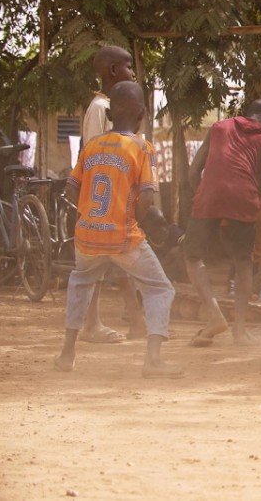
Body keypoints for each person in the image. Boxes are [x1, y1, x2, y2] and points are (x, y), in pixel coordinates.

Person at [54, 82, 183, 379]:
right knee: (160, 288)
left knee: (81, 283)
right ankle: (153, 360)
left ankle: (67, 354)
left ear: (110, 114)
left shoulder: (91, 146)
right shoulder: (141, 147)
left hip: (88, 235)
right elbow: (147, 198)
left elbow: (71, 189)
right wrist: (135, 220)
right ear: (142, 114)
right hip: (123, 238)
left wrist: (89, 214)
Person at [183, 99, 261, 347]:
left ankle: (214, 315)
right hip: (244, 199)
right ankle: (240, 331)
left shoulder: (219, 127)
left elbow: (193, 172)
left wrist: (202, 199)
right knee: (243, 262)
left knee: (192, 256)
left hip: (210, 195)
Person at [78, 45, 147, 344]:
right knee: (100, 260)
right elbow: (96, 154)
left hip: (120, 196)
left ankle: (137, 320)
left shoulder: (116, 105)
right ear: (114, 70)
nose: (133, 73)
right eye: (129, 67)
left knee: (119, 257)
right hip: (104, 198)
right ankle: (92, 324)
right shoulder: (100, 108)